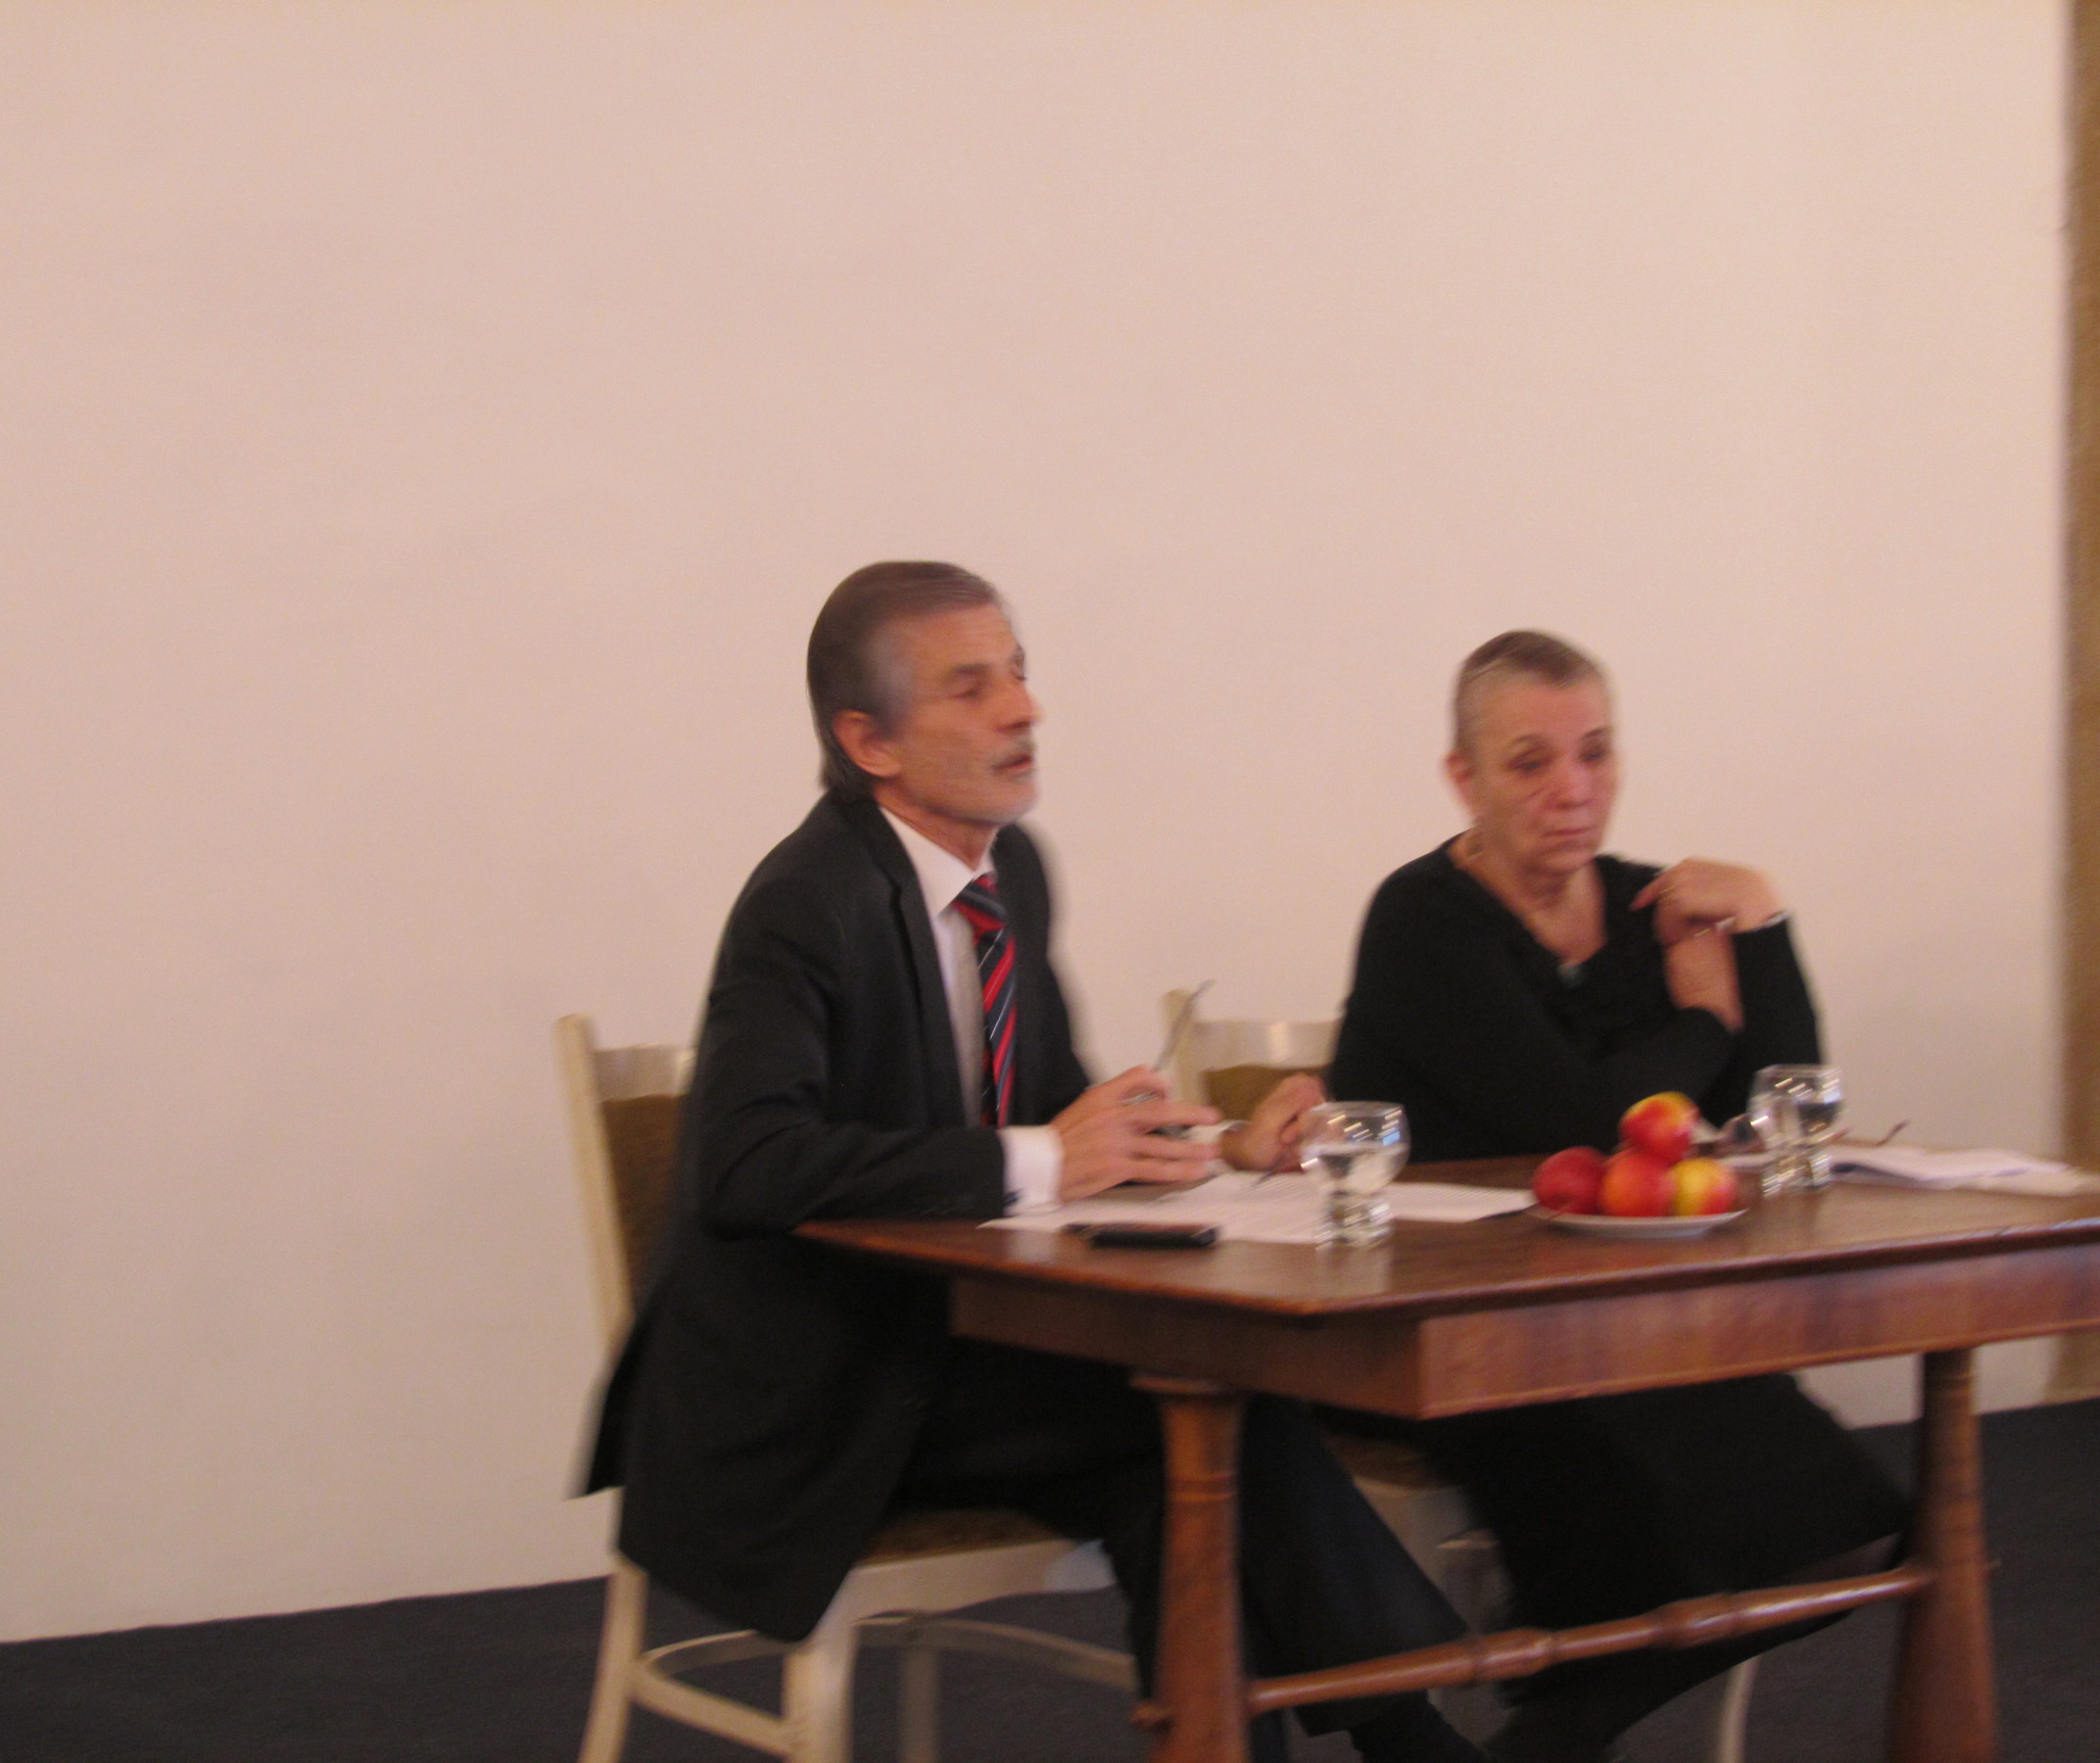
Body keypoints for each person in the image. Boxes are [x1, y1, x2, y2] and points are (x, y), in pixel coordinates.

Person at [586, 561, 1486, 1763]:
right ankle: (1416, 1739)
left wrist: (1223, 1147)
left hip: (959, 1351)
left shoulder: (1014, 869)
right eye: (971, 688)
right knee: (1205, 1409)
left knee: (1186, 1466)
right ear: (870, 742)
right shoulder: (807, 901)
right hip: (816, 1395)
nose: (1025, 709)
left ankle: (1330, 1741)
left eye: (1017, 672)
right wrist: (1043, 1159)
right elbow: (749, 1164)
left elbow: (1056, 1114)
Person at [1328, 630, 1910, 1763]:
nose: (1573, 790)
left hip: (1632, 1310)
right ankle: (1569, 1705)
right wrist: (1702, 1019)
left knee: (1856, 1534)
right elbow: (1584, 1119)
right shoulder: (1421, 920)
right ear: (1463, 778)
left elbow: (1784, 1110)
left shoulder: (1655, 908)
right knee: (1665, 1458)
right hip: (1438, 1329)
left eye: (1595, 754)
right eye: (1531, 762)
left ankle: (1562, 1718)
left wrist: (1766, 926)